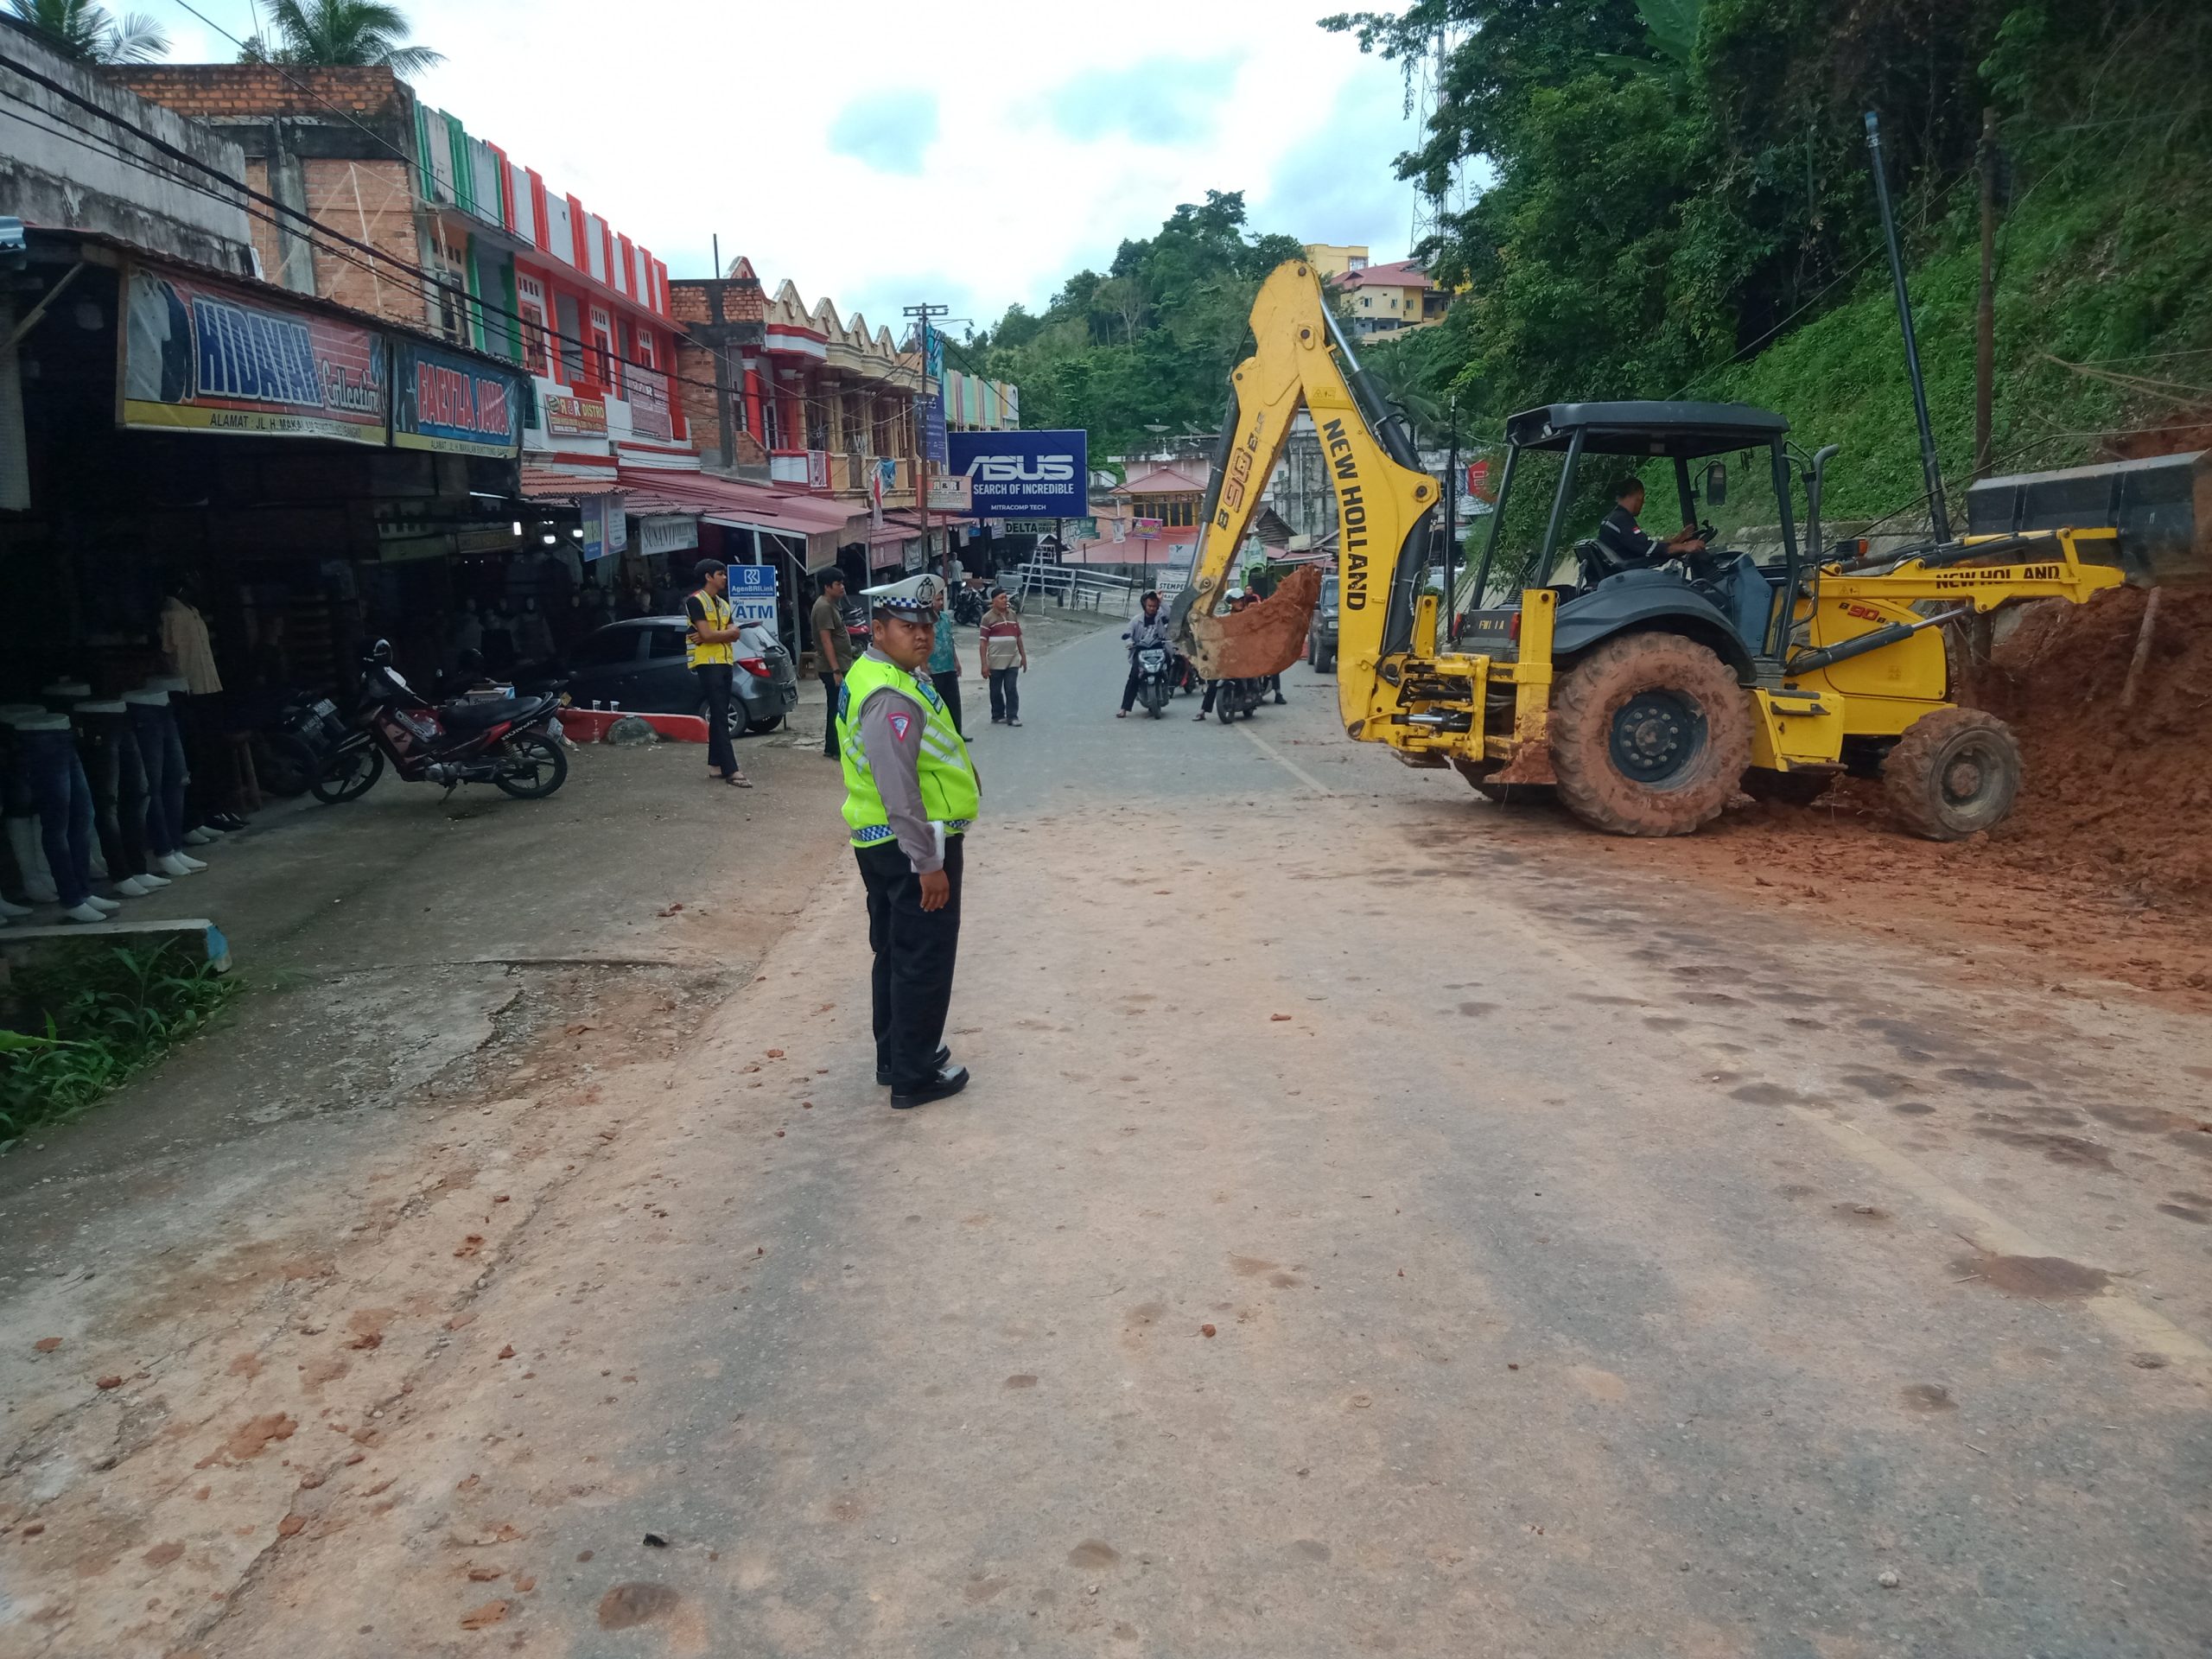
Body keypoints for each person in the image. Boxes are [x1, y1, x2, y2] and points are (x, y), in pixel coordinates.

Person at [837, 573, 978, 1110]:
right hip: (912, 844)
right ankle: (914, 1075)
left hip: (880, 840)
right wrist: (928, 861)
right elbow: (898, 785)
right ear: (878, 629)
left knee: (896, 952)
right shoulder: (888, 694)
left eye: (927, 623)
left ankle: (898, 1055)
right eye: (906, 625)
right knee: (923, 957)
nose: (921, 634)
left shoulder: (882, 672)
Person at [684, 559, 751, 787]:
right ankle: (732, 770)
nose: (725, 577)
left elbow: (731, 633)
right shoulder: (696, 601)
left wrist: (714, 634)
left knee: (720, 712)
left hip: (724, 661)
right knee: (720, 715)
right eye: (721, 574)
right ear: (708, 576)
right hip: (707, 663)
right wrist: (721, 634)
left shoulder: (723, 603)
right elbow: (712, 634)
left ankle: (715, 765)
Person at [1597, 475, 1706, 573]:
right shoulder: (1621, 519)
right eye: (1643, 498)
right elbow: (1648, 549)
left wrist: (1679, 538)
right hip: (1634, 574)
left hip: (1626, 570)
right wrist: (1685, 547)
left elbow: (1645, 544)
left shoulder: (1611, 519)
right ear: (1638, 496)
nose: (1643, 503)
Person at [808, 568, 849, 760]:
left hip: (839, 664)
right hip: (832, 667)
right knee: (837, 707)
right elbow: (826, 641)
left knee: (838, 706)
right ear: (827, 587)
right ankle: (835, 747)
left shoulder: (832, 604)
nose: (842, 587)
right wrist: (836, 670)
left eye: (842, 583)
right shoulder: (823, 607)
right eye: (838, 584)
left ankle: (832, 746)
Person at [1194, 588, 1252, 721]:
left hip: (1245, 651)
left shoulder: (1249, 615)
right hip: (1227, 652)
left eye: (1239, 601)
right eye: (1235, 601)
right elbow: (1216, 626)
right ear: (1230, 602)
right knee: (1214, 679)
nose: (1238, 603)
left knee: (1247, 670)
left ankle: (1247, 694)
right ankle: (1203, 710)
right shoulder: (1226, 617)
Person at [1118, 590, 1172, 718]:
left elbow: (1170, 614)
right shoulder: (1136, 620)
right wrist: (1130, 642)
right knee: (1134, 677)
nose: (1152, 608)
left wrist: (1161, 601)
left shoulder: (1160, 617)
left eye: (1154, 606)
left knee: (1170, 661)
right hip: (1141, 652)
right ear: (1144, 605)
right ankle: (1124, 708)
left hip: (1160, 650)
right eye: (1150, 606)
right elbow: (1127, 634)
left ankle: (1168, 686)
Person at [978, 588, 1027, 727]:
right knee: (995, 690)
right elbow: (983, 643)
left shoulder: (1012, 615)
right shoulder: (987, 618)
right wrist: (984, 664)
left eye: (1006, 597)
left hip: (1012, 658)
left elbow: (1018, 637)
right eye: (1002, 598)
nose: (1005, 600)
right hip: (995, 660)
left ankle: (1013, 716)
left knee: (1011, 688)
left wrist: (1023, 657)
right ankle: (998, 715)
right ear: (993, 601)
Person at [927, 592, 964, 735]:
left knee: (954, 702)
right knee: (938, 704)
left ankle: (957, 733)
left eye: (941, 599)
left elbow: (950, 640)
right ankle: (942, 735)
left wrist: (956, 660)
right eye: (938, 599)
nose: (941, 602)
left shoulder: (944, 618)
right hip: (934, 668)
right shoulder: (925, 621)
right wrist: (924, 667)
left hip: (948, 665)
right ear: (929, 602)